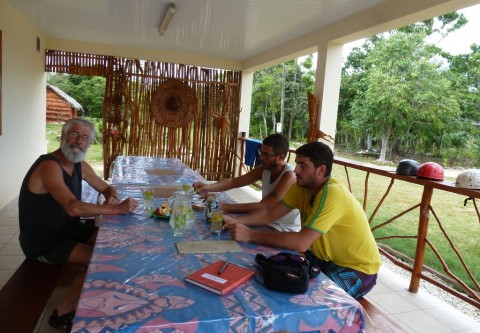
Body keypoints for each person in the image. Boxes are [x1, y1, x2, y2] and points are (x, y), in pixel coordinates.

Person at [18, 118, 139, 332]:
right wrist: (117, 209)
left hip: (68, 231)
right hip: (43, 241)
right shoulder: (49, 166)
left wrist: (112, 194)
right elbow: (73, 207)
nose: (79, 141)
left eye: (85, 138)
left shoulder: (79, 165)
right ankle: (62, 313)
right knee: (104, 261)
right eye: (74, 134)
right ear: (63, 136)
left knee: (115, 245)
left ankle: (87, 295)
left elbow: (106, 187)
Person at [225, 141, 381, 299]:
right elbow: (269, 215)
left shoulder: (333, 194)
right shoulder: (301, 187)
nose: (296, 170)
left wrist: (250, 235)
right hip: (322, 258)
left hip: (357, 268)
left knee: (313, 298)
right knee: (267, 271)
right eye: (296, 164)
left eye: (303, 165)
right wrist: (238, 222)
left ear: (321, 170)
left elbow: (301, 242)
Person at [193, 133, 300, 232]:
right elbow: (233, 182)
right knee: (224, 227)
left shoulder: (289, 176)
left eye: (266, 155)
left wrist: (225, 207)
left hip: (284, 229)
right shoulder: (264, 169)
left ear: (281, 157)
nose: (261, 157)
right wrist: (208, 187)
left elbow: (265, 206)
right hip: (265, 221)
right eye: (261, 152)